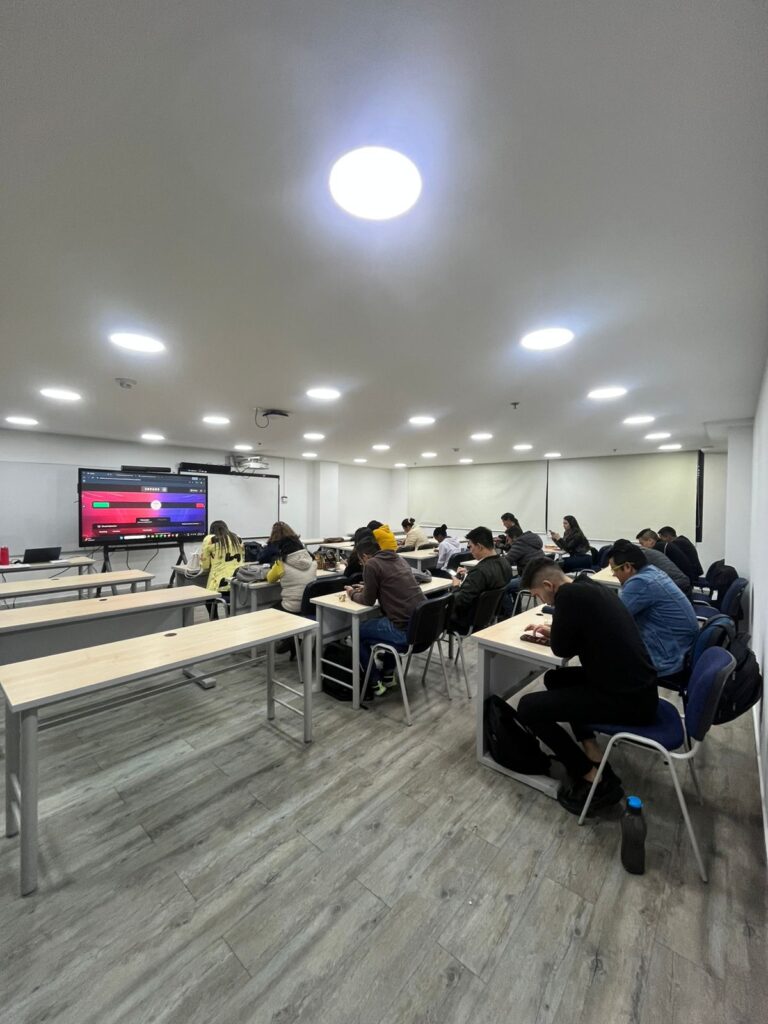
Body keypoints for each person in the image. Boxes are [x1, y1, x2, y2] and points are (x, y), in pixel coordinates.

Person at [516, 557, 659, 815]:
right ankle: (591, 749)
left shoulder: (567, 597)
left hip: (628, 700)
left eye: (538, 596)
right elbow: (581, 634)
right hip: (638, 686)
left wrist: (556, 630)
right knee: (555, 679)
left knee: (527, 707)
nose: (541, 602)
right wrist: (553, 630)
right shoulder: (587, 585)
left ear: (549, 586)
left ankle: (591, 776)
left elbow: (561, 649)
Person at [607, 540, 699, 688]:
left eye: (614, 569)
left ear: (628, 566)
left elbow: (614, 618)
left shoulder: (640, 582)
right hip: (683, 649)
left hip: (670, 659)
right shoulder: (653, 572)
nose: (614, 575)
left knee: (607, 656)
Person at [347, 537, 426, 693]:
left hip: (403, 632)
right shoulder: (399, 559)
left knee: (355, 631)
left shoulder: (371, 564)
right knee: (385, 621)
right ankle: (388, 675)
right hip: (421, 629)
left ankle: (374, 681)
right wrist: (368, 587)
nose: (362, 565)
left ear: (365, 557)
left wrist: (352, 593)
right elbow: (389, 583)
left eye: (361, 562)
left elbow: (368, 601)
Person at [449, 526, 512, 633]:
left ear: (479, 546)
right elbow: (486, 582)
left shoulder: (479, 572)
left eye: (470, 546)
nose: (470, 550)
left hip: (466, 622)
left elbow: (459, 601)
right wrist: (469, 576)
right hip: (489, 617)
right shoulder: (505, 563)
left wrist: (456, 586)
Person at [200, 519, 245, 617]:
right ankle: (230, 616)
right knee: (231, 600)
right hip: (237, 581)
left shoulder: (210, 539)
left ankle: (214, 619)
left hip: (220, 583)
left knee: (208, 598)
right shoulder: (237, 537)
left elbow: (205, 565)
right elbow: (243, 557)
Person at [266, 532, 317, 614]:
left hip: (291, 607)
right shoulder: (313, 562)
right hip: (309, 606)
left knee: (267, 612)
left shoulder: (281, 564)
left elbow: (270, 579)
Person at [500, 525, 544, 615]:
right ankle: (516, 611)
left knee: (502, 588)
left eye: (508, 539)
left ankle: (509, 615)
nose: (507, 541)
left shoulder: (520, 543)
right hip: (540, 576)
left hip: (531, 579)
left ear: (514, 537)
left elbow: (506, 561)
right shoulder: (530, 540)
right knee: (510, 582)